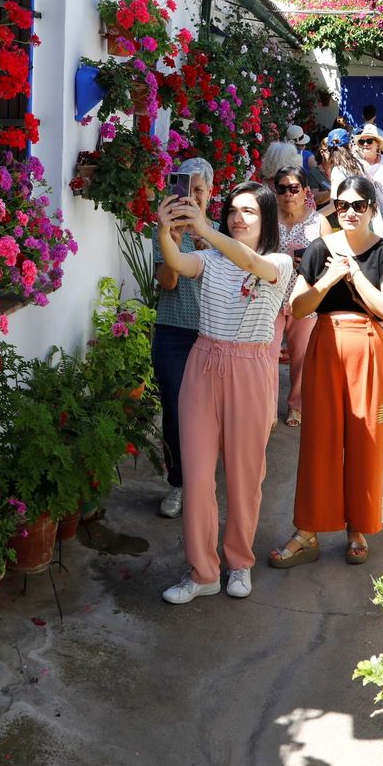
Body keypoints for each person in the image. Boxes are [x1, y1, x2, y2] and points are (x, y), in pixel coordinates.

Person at [156, 181, 293, 604]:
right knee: (196, 477)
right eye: (233, 209)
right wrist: (166, 231)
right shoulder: (211, 259)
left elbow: (253, 264)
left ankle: (239, 562)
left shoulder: (279, 261)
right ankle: (203, 571)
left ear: (266, 218)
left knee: (244, 478)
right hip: (204, 363)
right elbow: (178, 262)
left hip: (250, 371)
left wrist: (205, 229)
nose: (238, 217)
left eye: (249, 211)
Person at [269, 175, 383, 568]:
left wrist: (355, 274)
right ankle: (307, 530)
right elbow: (299, 308)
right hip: (326, 343)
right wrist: (329, 278)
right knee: (319, 440)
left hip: (368, 348)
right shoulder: (318, 249)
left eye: (358, 205)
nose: (348, 212)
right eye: (342, 205)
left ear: (371, 209)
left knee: (365, 439)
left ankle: (357, 526)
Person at [150, 156, 215, 518]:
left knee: (210, 414)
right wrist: (171, 240)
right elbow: (168, 283)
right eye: (184, 190)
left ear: (209, 193)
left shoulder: (221, 232)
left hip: (212, 334)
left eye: (199, 190)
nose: (191, 198)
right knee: (174, 410)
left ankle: (203, 480)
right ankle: (178, 483)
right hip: (174, 333)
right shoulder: (165, 230)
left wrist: (208, 240)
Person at [270, 166, 325, 428]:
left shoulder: (318, 222)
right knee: (266, 355)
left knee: (302, 357)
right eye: (282, 188)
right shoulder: (266, 220)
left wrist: (311, 264)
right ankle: (267, 409)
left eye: (294, 188)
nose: (288, 194)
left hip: (303, 298)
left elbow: (331, 260)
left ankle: (297, 406)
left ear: (305, 192)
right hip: (269, 297)